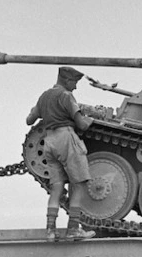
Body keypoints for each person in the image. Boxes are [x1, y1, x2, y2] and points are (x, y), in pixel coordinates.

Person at [26, 66, 97, 241]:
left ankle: (50, 230)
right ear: (66, 80)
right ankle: (73, 229)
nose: (75, 86)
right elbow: (81, 124)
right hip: (66, 139)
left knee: (57, 187)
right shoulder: (66, 96)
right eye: (74, 82)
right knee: (79, 185)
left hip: (49, 142)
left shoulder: (44, 96)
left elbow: (29, 120)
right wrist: (92, 119)